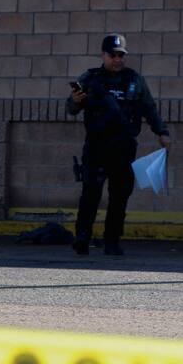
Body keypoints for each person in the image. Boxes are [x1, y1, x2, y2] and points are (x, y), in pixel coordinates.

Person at [66, 34, 171, 256]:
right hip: (96, 146)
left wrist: (162, 132)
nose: (117, 59)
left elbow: (149, 108)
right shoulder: (90, 79)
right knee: (90, 194)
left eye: (121, 55)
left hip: (123, 147)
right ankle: (82, 238)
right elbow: (72, 108)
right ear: (103, 55)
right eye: (112, 55)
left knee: (120, 196)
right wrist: (75, 101)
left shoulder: (134, 80)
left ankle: (112, 241)